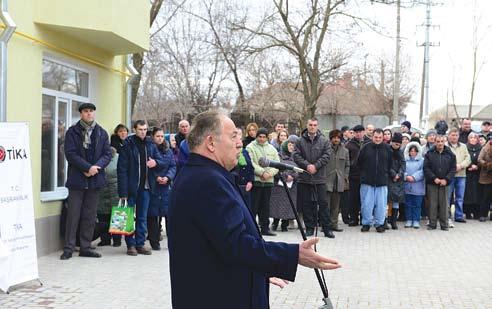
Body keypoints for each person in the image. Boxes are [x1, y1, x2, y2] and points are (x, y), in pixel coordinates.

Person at [167, 111, 341, 308]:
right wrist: (294, 254)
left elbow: (219, 245)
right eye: (233, 136)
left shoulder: (203, 174)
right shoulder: (207, 181)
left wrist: (259, 270)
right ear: (210, 142)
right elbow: (235, 245)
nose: (240, 143)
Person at [61, 103, 112, 260]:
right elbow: (70, 153)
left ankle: (85, 247)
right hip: (77, 180)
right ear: (81, 114)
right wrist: (87, 167)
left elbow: (107, 154)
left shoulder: (102, 133)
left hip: (95, 180)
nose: (89, 114)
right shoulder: (72, 132)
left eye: (91, 111)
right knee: (73, 215)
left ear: (94, 113)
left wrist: (96, 167)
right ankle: (69, 248)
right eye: (86, 111)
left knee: (89, 216)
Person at [117, 120, 166, 256]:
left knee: (142, 217)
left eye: (145, 130)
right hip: (131, 188)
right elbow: (122, 169)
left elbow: (163, 161)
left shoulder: (150, 144)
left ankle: (140, 244)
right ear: (134, 129)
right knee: (127, 217)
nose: (143, 132)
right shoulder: (128, 144)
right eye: (140, 129)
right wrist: (123, 192)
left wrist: (155, 162)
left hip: (146, 187)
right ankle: (130, 245)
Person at [293, 118, 334, 238]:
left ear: (317, 126)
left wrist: (316, 166)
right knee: (306, 204)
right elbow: (296, 155)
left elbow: (327, 155)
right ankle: (310, 228)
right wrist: (307, 165)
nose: (312, 127)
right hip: (304, 177)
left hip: (319, 177)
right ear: (307, 125)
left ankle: (327, 229)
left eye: (314, 125)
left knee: (323, 204)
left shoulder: (324, 141)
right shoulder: (300, 141)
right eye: (310, 125)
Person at [246, 128, 280, 236]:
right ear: (257, 137)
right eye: (259, 136)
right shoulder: (250, 147)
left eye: (264, 137)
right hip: (256, 181)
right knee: (253, 206)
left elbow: (277, 164)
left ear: (267, 137)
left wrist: (269, 174)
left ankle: (265, 228)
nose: (261, 139)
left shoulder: (272, 149)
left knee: (265, 206)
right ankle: (251, 228)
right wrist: (261, 173)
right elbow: (250, 163)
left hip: (268, 182)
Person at [357, 128, 392, 233]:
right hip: (367, 181)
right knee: (366, 204)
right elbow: (359, 163)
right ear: (372, 137)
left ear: (383, 137)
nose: (377, 139)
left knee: (381, 205)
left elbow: (390, 164)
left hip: (382, 182)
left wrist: (385, 173)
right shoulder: (365, 148)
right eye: (375, 137)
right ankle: (366, 223)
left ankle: (380, 224)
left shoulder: (387, 149)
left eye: (380, 137)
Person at [147, 127, 176, 250]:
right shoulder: (149, 149)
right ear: (153, 137)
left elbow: (172, 166)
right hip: (153, 184)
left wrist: (167, 177)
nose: (160, 138)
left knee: (168, 214)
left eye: (162, 136)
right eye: (157, 136)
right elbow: (149, 167)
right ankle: (154, 241)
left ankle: (172, 241)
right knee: (153, 214)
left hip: (166, 186)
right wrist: (157, 177)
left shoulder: (168, 150)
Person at [424, 135, 456, 231]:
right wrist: (434, 178)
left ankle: (444, 225)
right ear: (435, 142)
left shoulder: (450, 154)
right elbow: (426, 168)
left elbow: (453, 169)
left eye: (442, 141)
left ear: (445, 142)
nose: (440, 143)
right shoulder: (429, 154)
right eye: (438, 141)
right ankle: (432, 224)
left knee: (444, 204)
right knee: (432, 204)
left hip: (445, 183)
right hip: (432, 182)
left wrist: (446, 179)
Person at [270, 136, 299, 232]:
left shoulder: (296, 157)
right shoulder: (278, 156)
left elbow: (298, 170)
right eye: (290, 145)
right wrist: (285, 177)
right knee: (277, 205)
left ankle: (284, 224)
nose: (291, 147)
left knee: (288, 205)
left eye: (293, 145)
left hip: (291, 186)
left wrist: (293, 176)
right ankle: (275, 222)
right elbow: (275, 169)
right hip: (279, 186)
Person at [96, 147, 122, 247]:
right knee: (102, 214)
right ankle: (105, 239)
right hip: (101, 190)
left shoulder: (118, 157)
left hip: (115, 189)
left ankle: (117, 239)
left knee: (117, 214)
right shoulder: (98, 157)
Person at [325, 129, 350, 233]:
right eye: (334, 137)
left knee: (336, 205)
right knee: (326, 204)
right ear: (331, 138)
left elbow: (347, 165)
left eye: (338, 138)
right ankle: (325, 225)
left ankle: (334, 224)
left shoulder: (345, 151)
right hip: (327, 180)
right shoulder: (325, 149)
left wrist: (345, 176)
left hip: (339, 181)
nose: (336, 139)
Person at [446, 128, 471, 225]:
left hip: (461, 175)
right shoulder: (445, 146)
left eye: (456, 135)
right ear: (449, 136)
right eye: (452, 135)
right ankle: (446, 216)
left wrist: (460, 165)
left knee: (460, 197)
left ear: (458, 136)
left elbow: (468, 159)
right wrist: (453, 167)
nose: (454, 137)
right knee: (447, 196)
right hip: (449, 175)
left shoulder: (464, 146)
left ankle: (459, 216)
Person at [346, 125, 365, 226]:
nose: (358, 134)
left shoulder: (368, 143)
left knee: (365, 198)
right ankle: (353, 218)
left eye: (360, 131)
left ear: (364, 132)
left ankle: (364, 218)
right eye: (356, 132)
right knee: (353, 198)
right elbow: (346, 160)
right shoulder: (349, 145)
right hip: (353, 175)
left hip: (366, 175)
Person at [404, 142, 425, 229]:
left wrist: (414, 177)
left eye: (414, 151)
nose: (413, 153)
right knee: (408, 204)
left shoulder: (422, 160)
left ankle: (416, 220)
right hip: (407, 185)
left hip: (418, 186)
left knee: (417, 204)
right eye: (411, 151)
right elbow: (402, 169)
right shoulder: (405, 160)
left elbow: (423, 171)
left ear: (418, 152)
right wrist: (406, 176)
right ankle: (409, 219)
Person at [232, 128, 254, 210]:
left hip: (246, 185)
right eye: (236, 134)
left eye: (240, 134)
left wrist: (250, 181)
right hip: (236, 184)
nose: (238, 137)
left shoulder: (245, 152)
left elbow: (251, 167)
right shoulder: (230, 151)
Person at [387, 133, 405, 230]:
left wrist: (399, 174)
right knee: (387, 201)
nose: (396, 146)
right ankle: (387, 220)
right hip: (389, 178)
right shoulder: (387, 150)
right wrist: (394, 174)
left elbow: (403, 164)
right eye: (395, 143)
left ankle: (394, 221)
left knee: (396, 200)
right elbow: (387, 165)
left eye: (398, 144)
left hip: (399, 180)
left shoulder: (401, 152)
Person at [463, 132, 481, 220]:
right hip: (467, 174)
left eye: (475, 138)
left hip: (478, 175)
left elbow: (482, 159)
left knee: (477, 194)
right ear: (468, 139)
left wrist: (477, 166)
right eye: (471, 138)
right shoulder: (465, 147)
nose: (473, 139)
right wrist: (469, 166)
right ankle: (467, 212)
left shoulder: (481, 148)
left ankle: (476, 212)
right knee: (468, 194)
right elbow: (464, 159)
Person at [478, 134, 492, 222]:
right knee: (486, 197)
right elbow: (479, 159)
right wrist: (487, 165)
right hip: (486, 175)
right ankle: (483, 214)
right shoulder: (485, 148)